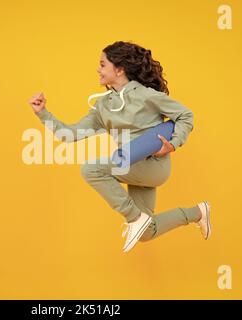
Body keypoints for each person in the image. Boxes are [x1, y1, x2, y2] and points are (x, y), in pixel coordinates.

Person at [27, 41, 211, 253]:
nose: (98, 69)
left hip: (153, 166)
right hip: (131, 165)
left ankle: (135, 217)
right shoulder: (103, 105)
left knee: (91, 169)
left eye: (103, 64)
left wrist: (174, 144)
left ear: (120, 69)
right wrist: (42, 113)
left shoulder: (146, 95)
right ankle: (198, 213)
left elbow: (185, 115)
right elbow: (69, 135)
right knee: (146, 232)